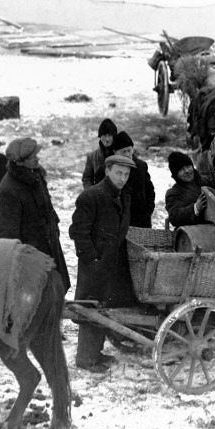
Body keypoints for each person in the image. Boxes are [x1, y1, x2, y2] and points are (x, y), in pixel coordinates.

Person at [69, 154, 138, 373]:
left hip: (112, 262)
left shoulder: (123, 196)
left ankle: (95, 353)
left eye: (126, 174)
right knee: (89, 308)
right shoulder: (91, 196)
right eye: (118, 173)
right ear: (107, 170)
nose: (122, 178)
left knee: (103, 308)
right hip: (95, 265)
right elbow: (78, 231)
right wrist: (92, 258)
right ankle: (85, 358)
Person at [0, 137, 71, 293]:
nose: (37, 158)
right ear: (20, 162)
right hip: (32, 251)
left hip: (49, 242)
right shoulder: (8, 189)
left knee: (56, 289)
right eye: (32, 157)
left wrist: (55, 227)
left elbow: (47, 205)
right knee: (37, 295)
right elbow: (9, 232)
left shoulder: (35, 174)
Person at [112, 130, 155, 228]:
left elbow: (150, 190)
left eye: (129, 150)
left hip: (142, 219)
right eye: (124, 151)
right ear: (115, 152)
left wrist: (148, 211)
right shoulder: (109, 169)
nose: (127, 154)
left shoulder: (141, 166)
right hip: (120, 221)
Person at [165, 151, 210, 228]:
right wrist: (195, 208)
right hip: (190, 234)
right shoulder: (173, 193)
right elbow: (174, 217)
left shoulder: (206, 181)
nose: (187, 171)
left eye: (188, 166)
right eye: (181, 169)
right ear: (176, 175)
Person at [82, 118, 118, 189]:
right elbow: (87, 179)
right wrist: (91, 193)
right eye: (104, 135)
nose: (107, 139)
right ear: (100, 137)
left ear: (114, 137)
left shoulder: (120, 154)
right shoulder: (92, 157)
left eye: (110, 135)